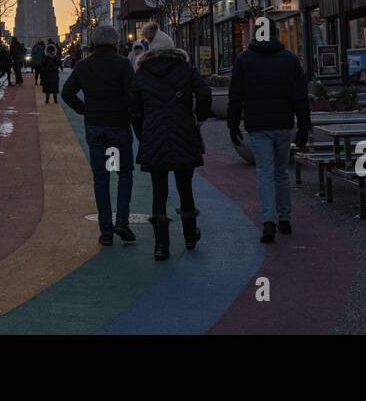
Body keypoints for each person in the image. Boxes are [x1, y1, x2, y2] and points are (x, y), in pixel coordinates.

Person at [130, 27, 211, 261]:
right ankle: (189, 236)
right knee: (185, 187)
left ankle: (161, 246)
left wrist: (142, 133)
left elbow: (134, 109)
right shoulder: (184, 68)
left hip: (154, 136)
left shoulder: (142, 74)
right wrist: (199, 116)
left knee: (159, 192)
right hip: (183, 132)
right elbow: (204, 92)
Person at [227, 33, 310, 243]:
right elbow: (300, 96)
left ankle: (268, 222)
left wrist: (233, 123)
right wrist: (303, 127)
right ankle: (285, 219)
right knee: (281, 171)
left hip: (257, 124)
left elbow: (236, 94)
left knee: (265, 172)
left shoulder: (244, 60)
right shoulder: (290, 59)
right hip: (283, 123)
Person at [62, 25, 137, 246]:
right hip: (119, 126)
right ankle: (122, 220)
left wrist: (83, 108)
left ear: (94, 42)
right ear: (114, 42)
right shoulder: (123, 64)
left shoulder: (84, 65)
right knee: (124, 173)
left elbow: (67, 92)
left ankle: (105, 230)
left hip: (95, 127)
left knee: (101, 177)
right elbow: (133, 95)